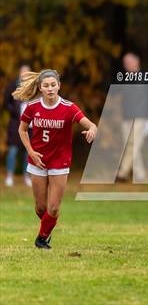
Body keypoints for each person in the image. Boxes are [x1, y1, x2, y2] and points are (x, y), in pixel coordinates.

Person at [14, 69, 97, 250]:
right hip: (38, 161)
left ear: (59, 86)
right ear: (40, 88)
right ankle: (46, 229)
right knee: (41, 209)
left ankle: (41, 239)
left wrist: (91, 130)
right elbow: (21, 130)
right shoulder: (32, 107)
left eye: (53, 85)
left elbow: (91, 124)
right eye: (46, 85)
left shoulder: (69, 108)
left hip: (60, 162)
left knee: (53, 209)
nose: (50, 88)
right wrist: (31, 152)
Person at [117, 52, 148, 182]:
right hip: (126, 117)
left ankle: (122, 172)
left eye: (129, 62)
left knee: (134, 145)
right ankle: (140, 174)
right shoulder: (124, 79)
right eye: (125, 63)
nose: (127, 65)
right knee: (129, 145)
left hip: (140, 116)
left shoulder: (146, 78)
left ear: (137, 61)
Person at [4, 64, 32, 187]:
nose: (25, 75)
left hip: (31, 125)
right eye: (23, 72)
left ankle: (27, 176)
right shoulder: (12, 86)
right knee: (13, 150)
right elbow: (6, 102)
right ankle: (9, 176)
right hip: (15, 123)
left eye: (27, 73)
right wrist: (14, 110)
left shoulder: (34, 87)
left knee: (28, 151)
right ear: (19, 74)